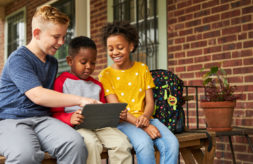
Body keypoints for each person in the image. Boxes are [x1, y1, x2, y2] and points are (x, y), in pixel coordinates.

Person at [0, 5, 98, 164]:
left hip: (42, 119)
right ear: (37, 33)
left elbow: (52, 98)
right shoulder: (18, 59)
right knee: (25, 155)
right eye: (56, 36)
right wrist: (80, 99)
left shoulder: (52, 62)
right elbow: (38, 95)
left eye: (64, 37)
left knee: (75, 144)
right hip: (11, 120)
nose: (61, 42)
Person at [99, 21, 179, 164]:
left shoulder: (142, 69)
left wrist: (146, 118)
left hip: (146, 118)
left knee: (172, 143)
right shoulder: (106, 75)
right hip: (123, 122)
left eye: (120, 47)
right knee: (144, 144)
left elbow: (150, 102)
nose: (115, 52)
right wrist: (144, 126)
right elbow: (117, 109)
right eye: (110, 49)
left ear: (131, 46)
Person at [51, 36, 132, 164]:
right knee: (91, 144)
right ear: (70, 61)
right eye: (83, 62)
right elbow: (54, 113)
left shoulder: (97, 85)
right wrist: (69, 118)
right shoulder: (60, 82)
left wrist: (117, 116)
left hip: (101, 127)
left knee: (122, 142)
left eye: (92, 63)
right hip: (77, 127)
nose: (89, 66)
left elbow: (103, 110)